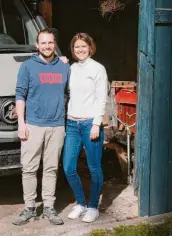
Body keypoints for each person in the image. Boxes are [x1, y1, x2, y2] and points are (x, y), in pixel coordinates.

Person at [12, 28, 70, 226]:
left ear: (55, 44)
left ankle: (48, 207)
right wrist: (21, 123)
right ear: (37, 45)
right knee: (29, 168)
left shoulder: (64, 67)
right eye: (43, 43)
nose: (47, 46)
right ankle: (29, 208)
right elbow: (20, 95)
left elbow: (71, 91)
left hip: (57, 126)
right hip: (33, 125)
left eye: (50, 42)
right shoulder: (27, 67)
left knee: (51, 168)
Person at [62, 32, 108, 223]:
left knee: (94, 167)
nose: (80, 50)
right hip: (72, 123)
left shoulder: (98, 69)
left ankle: (93, 206)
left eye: (83, 46)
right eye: (76, 47)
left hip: (91, 123)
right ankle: (81, 202)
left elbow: (102, 98)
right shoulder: (71, 68)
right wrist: (60, 63)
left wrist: (97, 123)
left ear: (90, 47)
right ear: (73, 50)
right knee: (68, 167)